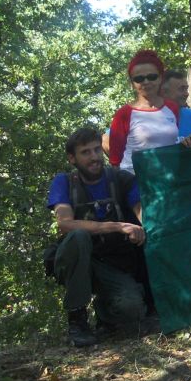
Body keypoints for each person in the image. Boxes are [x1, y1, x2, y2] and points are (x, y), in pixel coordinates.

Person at [47, 126, 146, 347]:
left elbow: (142, 213)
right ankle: (77, 319)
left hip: (111, 263)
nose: (94, 157)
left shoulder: (121, 179)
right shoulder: (64, 182)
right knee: (79, 236)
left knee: (132, 309)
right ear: (72, 158)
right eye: (85, 152)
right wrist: (117, 226)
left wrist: (143, 228)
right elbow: (64, 224)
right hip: (76, 261)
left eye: (96, 150)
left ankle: (105, 315)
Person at [108, 50, 181, 173]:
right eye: (139, 79)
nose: (146, 82)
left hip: (167, 180)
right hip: (134, 182)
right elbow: (115, 160)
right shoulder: (124, 114)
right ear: (132, 83)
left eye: (152, 77)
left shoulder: (172, 108)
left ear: (160, 78)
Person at [161, 69, 191, 142]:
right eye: (181, 89)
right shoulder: (150, 119)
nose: (187, 94)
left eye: (186, 89)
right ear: (164, 92)